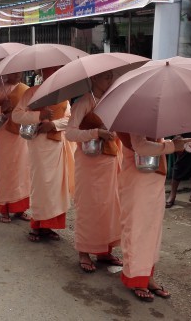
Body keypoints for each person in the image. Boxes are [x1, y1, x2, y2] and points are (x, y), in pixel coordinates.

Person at [115, 132, 188, 302]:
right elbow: (140, 146)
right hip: (137, 179)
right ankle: (136, 278)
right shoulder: (133, 114)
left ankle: (147, 276)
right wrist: (171, 146)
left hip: (154, 178)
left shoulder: (151, 114)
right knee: (137, 228)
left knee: (152, 230)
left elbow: (154, 142)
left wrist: (179, 143)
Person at [65, 70, 122, 272]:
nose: (110, 80)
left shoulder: (112, 101)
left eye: (111, 77)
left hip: (108, 161)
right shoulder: (83, 103)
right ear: (93, 79)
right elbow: (70, 133)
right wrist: (95, 132)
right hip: (88, 164)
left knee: (108, 207)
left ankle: (104, 250)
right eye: (106, 77)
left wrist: (112, 132)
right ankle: (84, 251)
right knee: (89, 206)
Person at [12, 66, 75, 242]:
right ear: (42, 73)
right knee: (41, 185)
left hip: (57, 145)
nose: (53, 74)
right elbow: (17, 116)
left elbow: (70, 119)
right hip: (39, 146)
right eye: (49, 71)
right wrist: (39, 116)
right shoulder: (32, 92)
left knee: (56, 188)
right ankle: (37, 226)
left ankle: (49, 226)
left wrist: (53, 125)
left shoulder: (63, 94)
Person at [0, 73, 32, 223]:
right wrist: (1, 109)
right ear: (6, 73)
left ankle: (20, 209)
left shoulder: (26, 90)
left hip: (20, 136)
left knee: (22, 170)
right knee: (5, 170)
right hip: (4, 135)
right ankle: (5, 208)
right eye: (13, 72)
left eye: (20, 71)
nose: (17, 74)